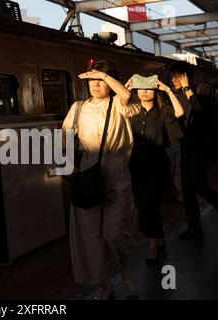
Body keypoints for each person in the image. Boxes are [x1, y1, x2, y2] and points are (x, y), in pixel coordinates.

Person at [62, 60, 140, 300]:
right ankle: (105, 285)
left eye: (101, 79)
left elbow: (126, 94)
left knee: (113, 233)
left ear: (110, 81)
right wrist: (67, 166)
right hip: (88, 169)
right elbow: (63, 136)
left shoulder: (119, 103)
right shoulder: (77, 108)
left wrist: (105, 76)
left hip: (115, 169)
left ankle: (124, 265)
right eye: (92, 80)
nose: (95, 84)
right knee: (91, 236)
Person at [169, 62, 218, 241]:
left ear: (186, 77)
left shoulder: (201, 91)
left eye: (177, 76)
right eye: (172, 76)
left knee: (199, 184)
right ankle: (194, 225)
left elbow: (199, 109)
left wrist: (187, 88)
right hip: (185, 144)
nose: (173, 80)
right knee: (187, 187)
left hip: (199, 145)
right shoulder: (174, 95)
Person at [126, 76, 184, 266]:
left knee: (151, 204)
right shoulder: (131, 111)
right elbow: (117, 104)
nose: (144, 92)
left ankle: (152, 247)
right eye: (140, 89)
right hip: (135, 166)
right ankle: (158, 238)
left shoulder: (164, 111)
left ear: (155, 91)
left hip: (157, 166)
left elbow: (180, 113)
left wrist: (168, 90)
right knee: (143, 206)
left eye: (148, 88)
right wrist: (125, 87)